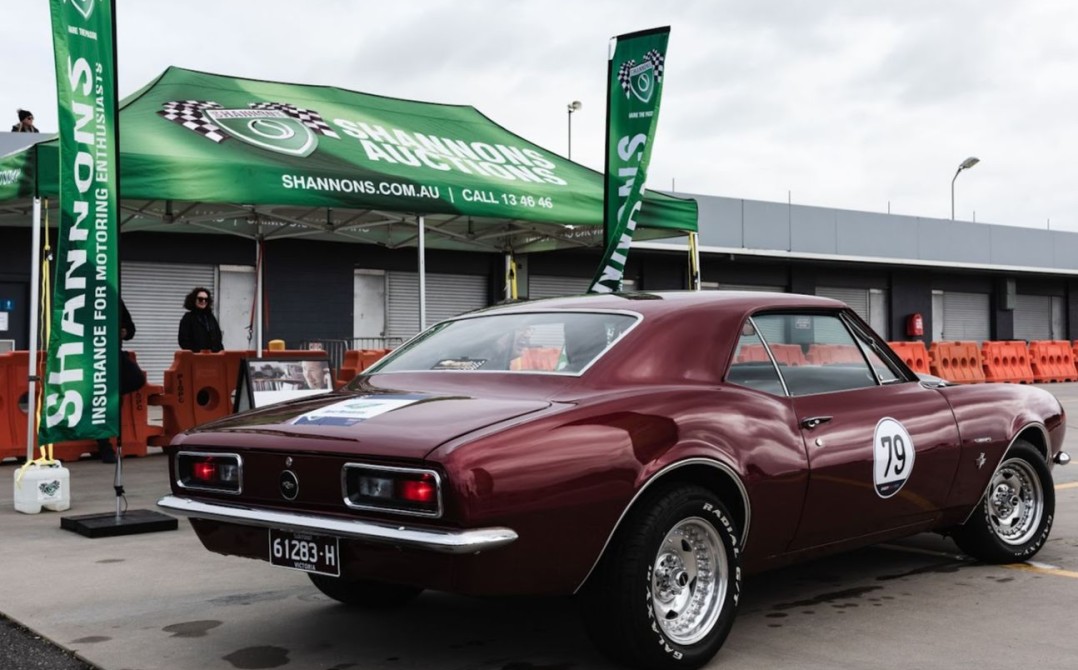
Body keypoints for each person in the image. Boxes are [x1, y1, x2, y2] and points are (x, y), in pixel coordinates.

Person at [97, 299, 143, 463]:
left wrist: (125, 331)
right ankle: (104, 447)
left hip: (114, 353)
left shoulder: (115, 299)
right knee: (100, 399)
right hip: (94, 355)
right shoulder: (87, 293)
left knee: (136, 378)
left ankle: (113, 396)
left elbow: (130, 328)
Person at [178, 287, 224, 352]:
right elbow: (183, 340)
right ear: (194, 300)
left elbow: (218, 337)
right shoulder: (188, 318)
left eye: (206, 299)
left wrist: (220, 353)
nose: (203, 301)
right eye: (200, 299)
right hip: (195, 358)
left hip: (213, 357)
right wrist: (196, 352)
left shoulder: (210, 317)